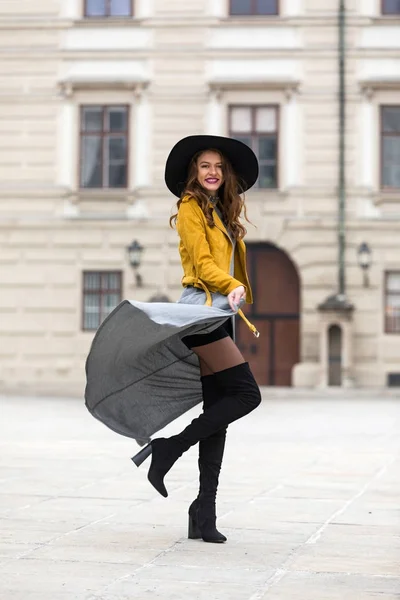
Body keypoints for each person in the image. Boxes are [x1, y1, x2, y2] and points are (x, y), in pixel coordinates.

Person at [130, 135, 262, 543]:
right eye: (205, 165)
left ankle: (204, 511)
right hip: (201, 311)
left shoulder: (219, 213)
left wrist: (234, 291)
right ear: (194, 172)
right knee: (246, 395)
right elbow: (203, 265)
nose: (212, 172)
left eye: (218, 167)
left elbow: (221, 262)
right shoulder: (190, 208)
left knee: (220, 411)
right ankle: (168, 449)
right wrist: (231, 284)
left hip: (218, 312)